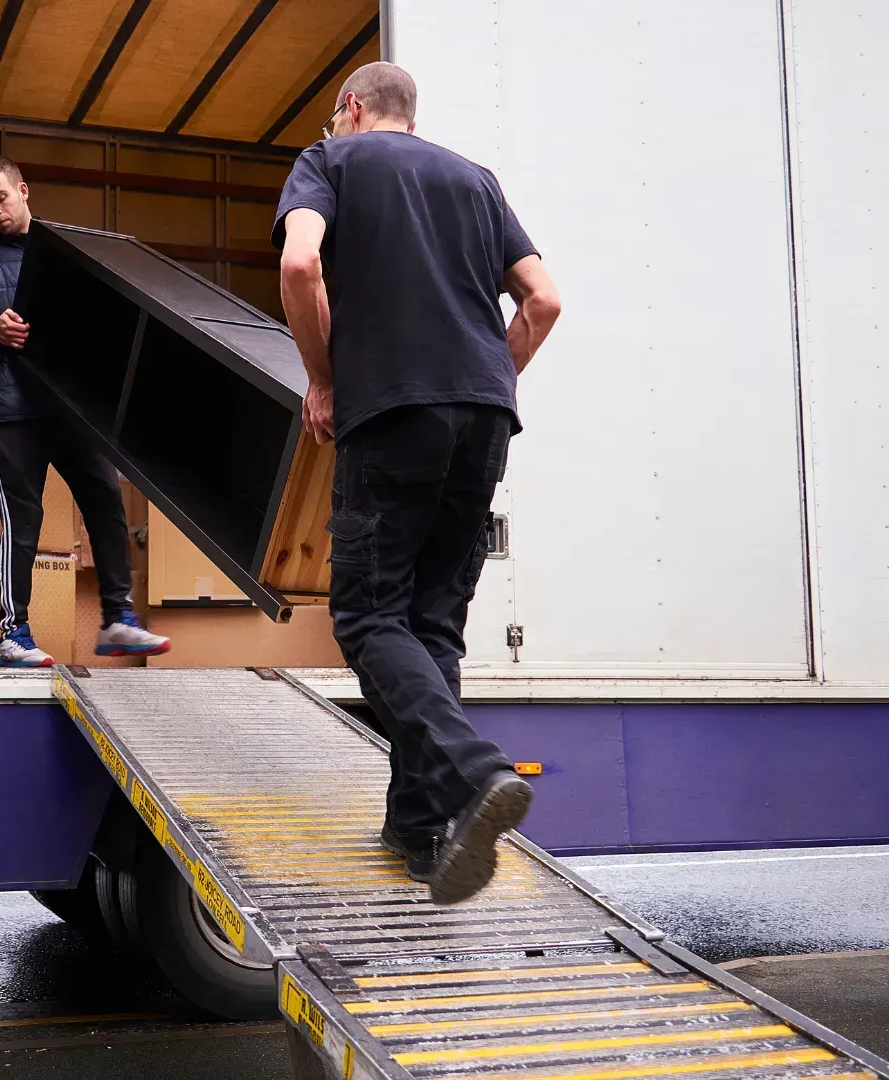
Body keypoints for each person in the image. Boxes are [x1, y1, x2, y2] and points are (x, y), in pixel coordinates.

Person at [274, 62, 562, 905]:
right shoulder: (476, 181)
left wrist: (324, 379)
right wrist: (488, 379)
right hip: (484, 414)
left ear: (352, 108)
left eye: (335, 116)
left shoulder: (329, 161)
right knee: (432, 625)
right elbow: (542, 300)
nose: (332, 126)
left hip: (394, 411)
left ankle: (473, 776)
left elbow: (300, 267)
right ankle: (422, 828)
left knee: (367, 616)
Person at [0, 156, 170, 667]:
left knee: (105, 500)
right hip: (12, 413)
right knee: (23, 520)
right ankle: (12, 637)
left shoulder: (65, 254)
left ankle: (118, 620)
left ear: (23, 190)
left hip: (73, 411)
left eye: (1, 198)